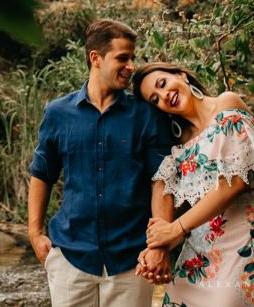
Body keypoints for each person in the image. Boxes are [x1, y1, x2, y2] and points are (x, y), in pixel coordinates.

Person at [28, 19, 174, 307]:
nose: (131, 66)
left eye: (133, 58)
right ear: (96, 58)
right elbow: (42, 173)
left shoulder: (148, 116)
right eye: (123, 58)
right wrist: (34, 232)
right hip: (70, 258)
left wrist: (159, 246)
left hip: (131, 261)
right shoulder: (57, 113)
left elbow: (162, 181)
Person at [134, 62, 254, 307]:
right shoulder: (178, 144)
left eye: (162, 84)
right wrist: (158, 247)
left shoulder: (226, 103)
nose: (164, 96)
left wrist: (173, 230)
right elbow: (171, 196)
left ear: (181, 75)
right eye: (155, 99)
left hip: (246, 239)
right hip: (200, 249)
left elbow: (233, 184)